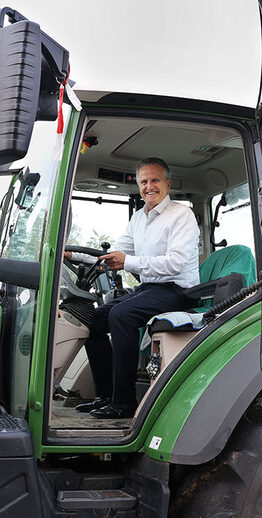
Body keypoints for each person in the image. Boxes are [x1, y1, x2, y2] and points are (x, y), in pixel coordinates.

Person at [64, 157, 200, 419]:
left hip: (178, 291)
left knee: (121, 315)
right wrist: (72, 256)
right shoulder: (139, 218)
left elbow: (175, 263)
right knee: (92, 321)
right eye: (144, 181)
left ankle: (124, 402)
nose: (149, 186)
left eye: (155, 180)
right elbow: (117, 254)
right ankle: (105, 396)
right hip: (149, 288)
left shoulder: (182, 215)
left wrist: (128, 262)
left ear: (167, 183)